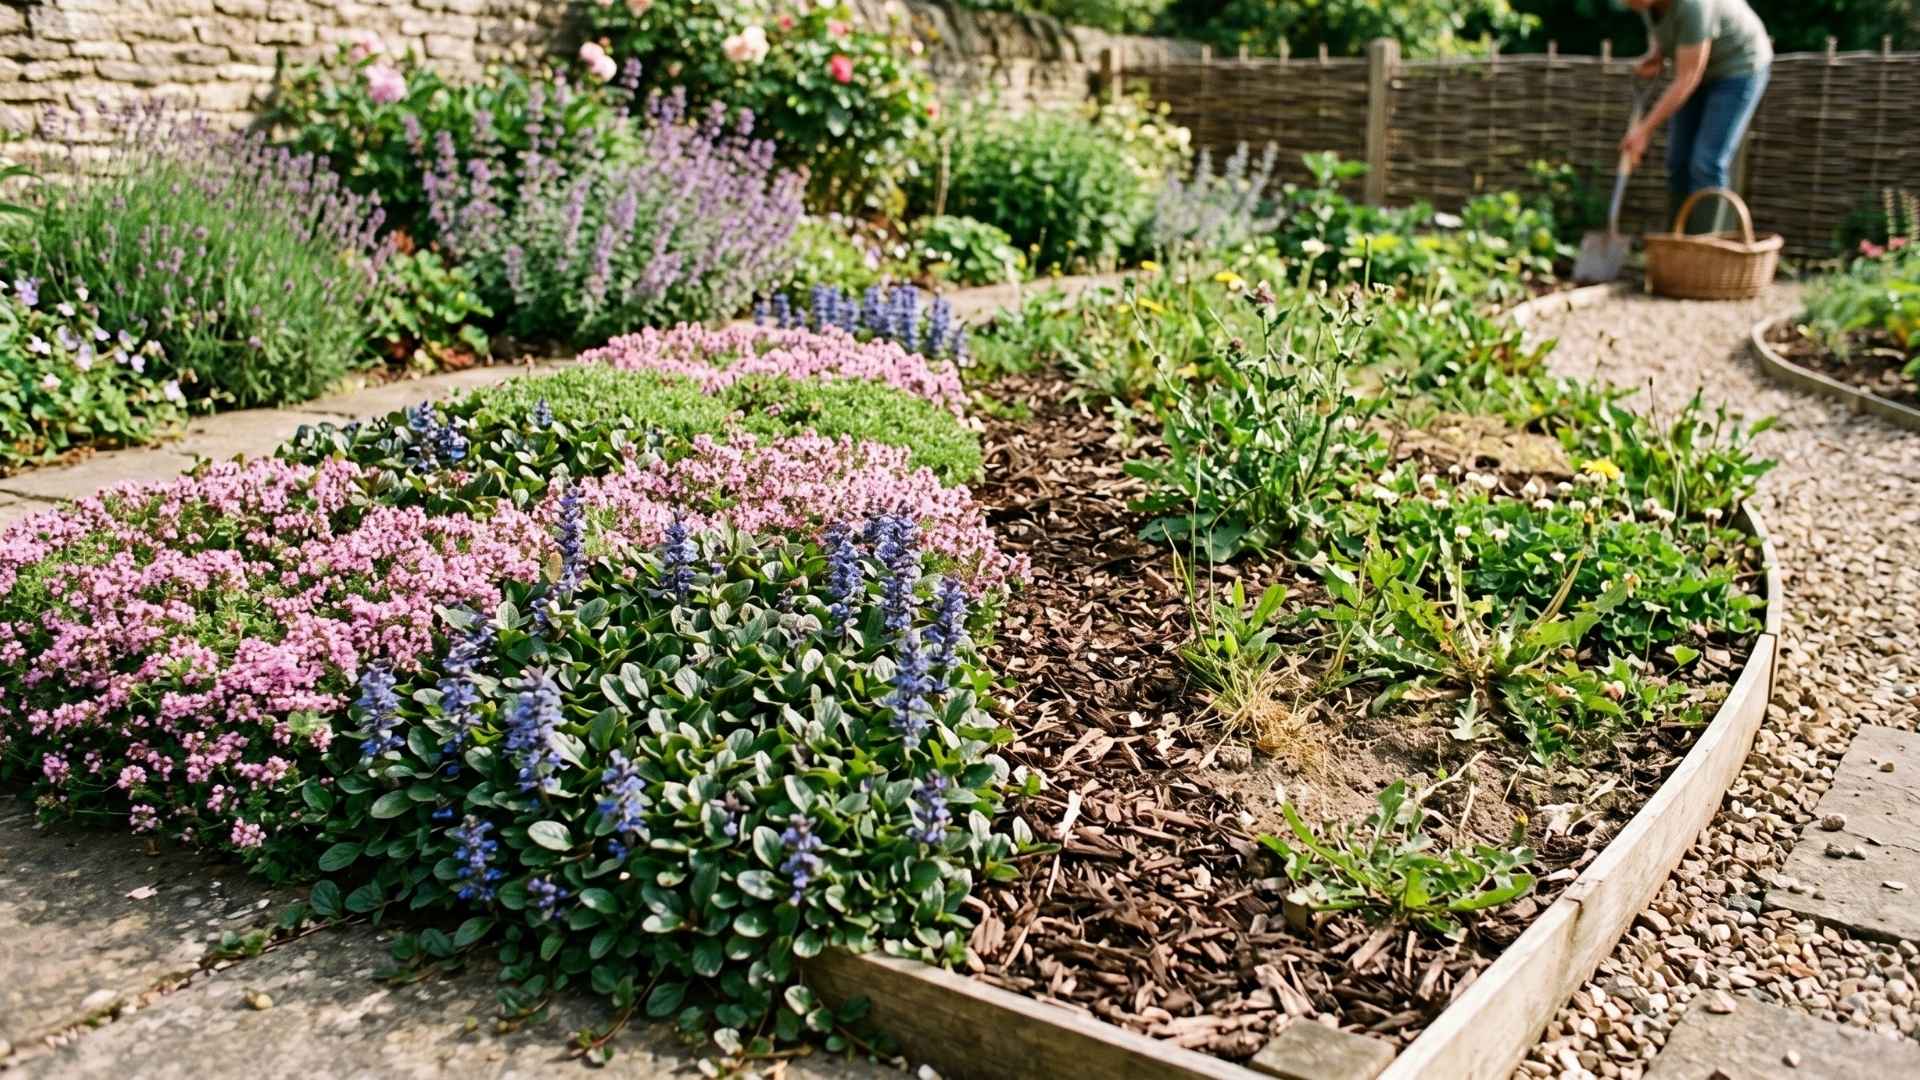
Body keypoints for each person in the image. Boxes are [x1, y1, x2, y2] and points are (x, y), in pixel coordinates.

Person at [1616, 0, 1772, 234]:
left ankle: (1705, 248)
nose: (1626, 3)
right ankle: (1677, 243)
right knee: (1678, 161)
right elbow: (1668, 33)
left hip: (1738, 68)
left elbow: (1688, 77)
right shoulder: (1648, 6)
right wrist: (1656, 54)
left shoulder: (1694, 5)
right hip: (1701, 71)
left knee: (1706, 162)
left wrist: (1643, 131)